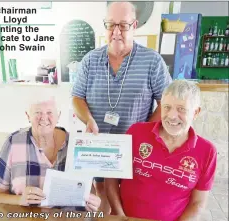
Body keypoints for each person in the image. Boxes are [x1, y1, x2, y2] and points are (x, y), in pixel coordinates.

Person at [71, 1, 172, 213]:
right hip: (99, 146)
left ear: (134, 25)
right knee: (101, 192)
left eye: (123, 26)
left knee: (130, 196)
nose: (116, 31)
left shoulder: (152, 61)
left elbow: (168, 102)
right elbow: (77, 97)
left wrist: (144, 132)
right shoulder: (90, 60)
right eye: (111, 25)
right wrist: (88, 119)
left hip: (135, 148)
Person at [105, 80, 217, 221]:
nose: (171, 116)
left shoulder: (207, 151)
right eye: (167, 107)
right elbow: (111, 178)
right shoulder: (136, 132)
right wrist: (120, 217)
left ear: (196, 112)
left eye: (181, 109)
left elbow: (198, 203)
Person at [0, 95, 101, 212]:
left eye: (49, 112)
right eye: (38, 112)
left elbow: (89, 194)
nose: (44, 118)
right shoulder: (14, 142)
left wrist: (93, 203)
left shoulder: (77, 145)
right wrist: (19, 200)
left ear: (58, 116)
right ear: (28, 116)